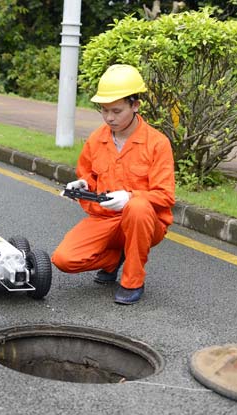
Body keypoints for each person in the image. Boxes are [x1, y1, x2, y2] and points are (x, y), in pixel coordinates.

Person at [51, 64, 175, 305]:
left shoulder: (157, 143)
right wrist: (82, 186)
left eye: (117, 111)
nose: (109, 118)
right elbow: (89, 177)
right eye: (104, 110)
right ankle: (113, 258)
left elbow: (165, 196)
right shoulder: (97, 139)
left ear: (135, 105)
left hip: (145, 223)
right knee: (63, 260)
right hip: (105, 219)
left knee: (137, 207)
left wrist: (130, 197)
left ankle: (133, 280)